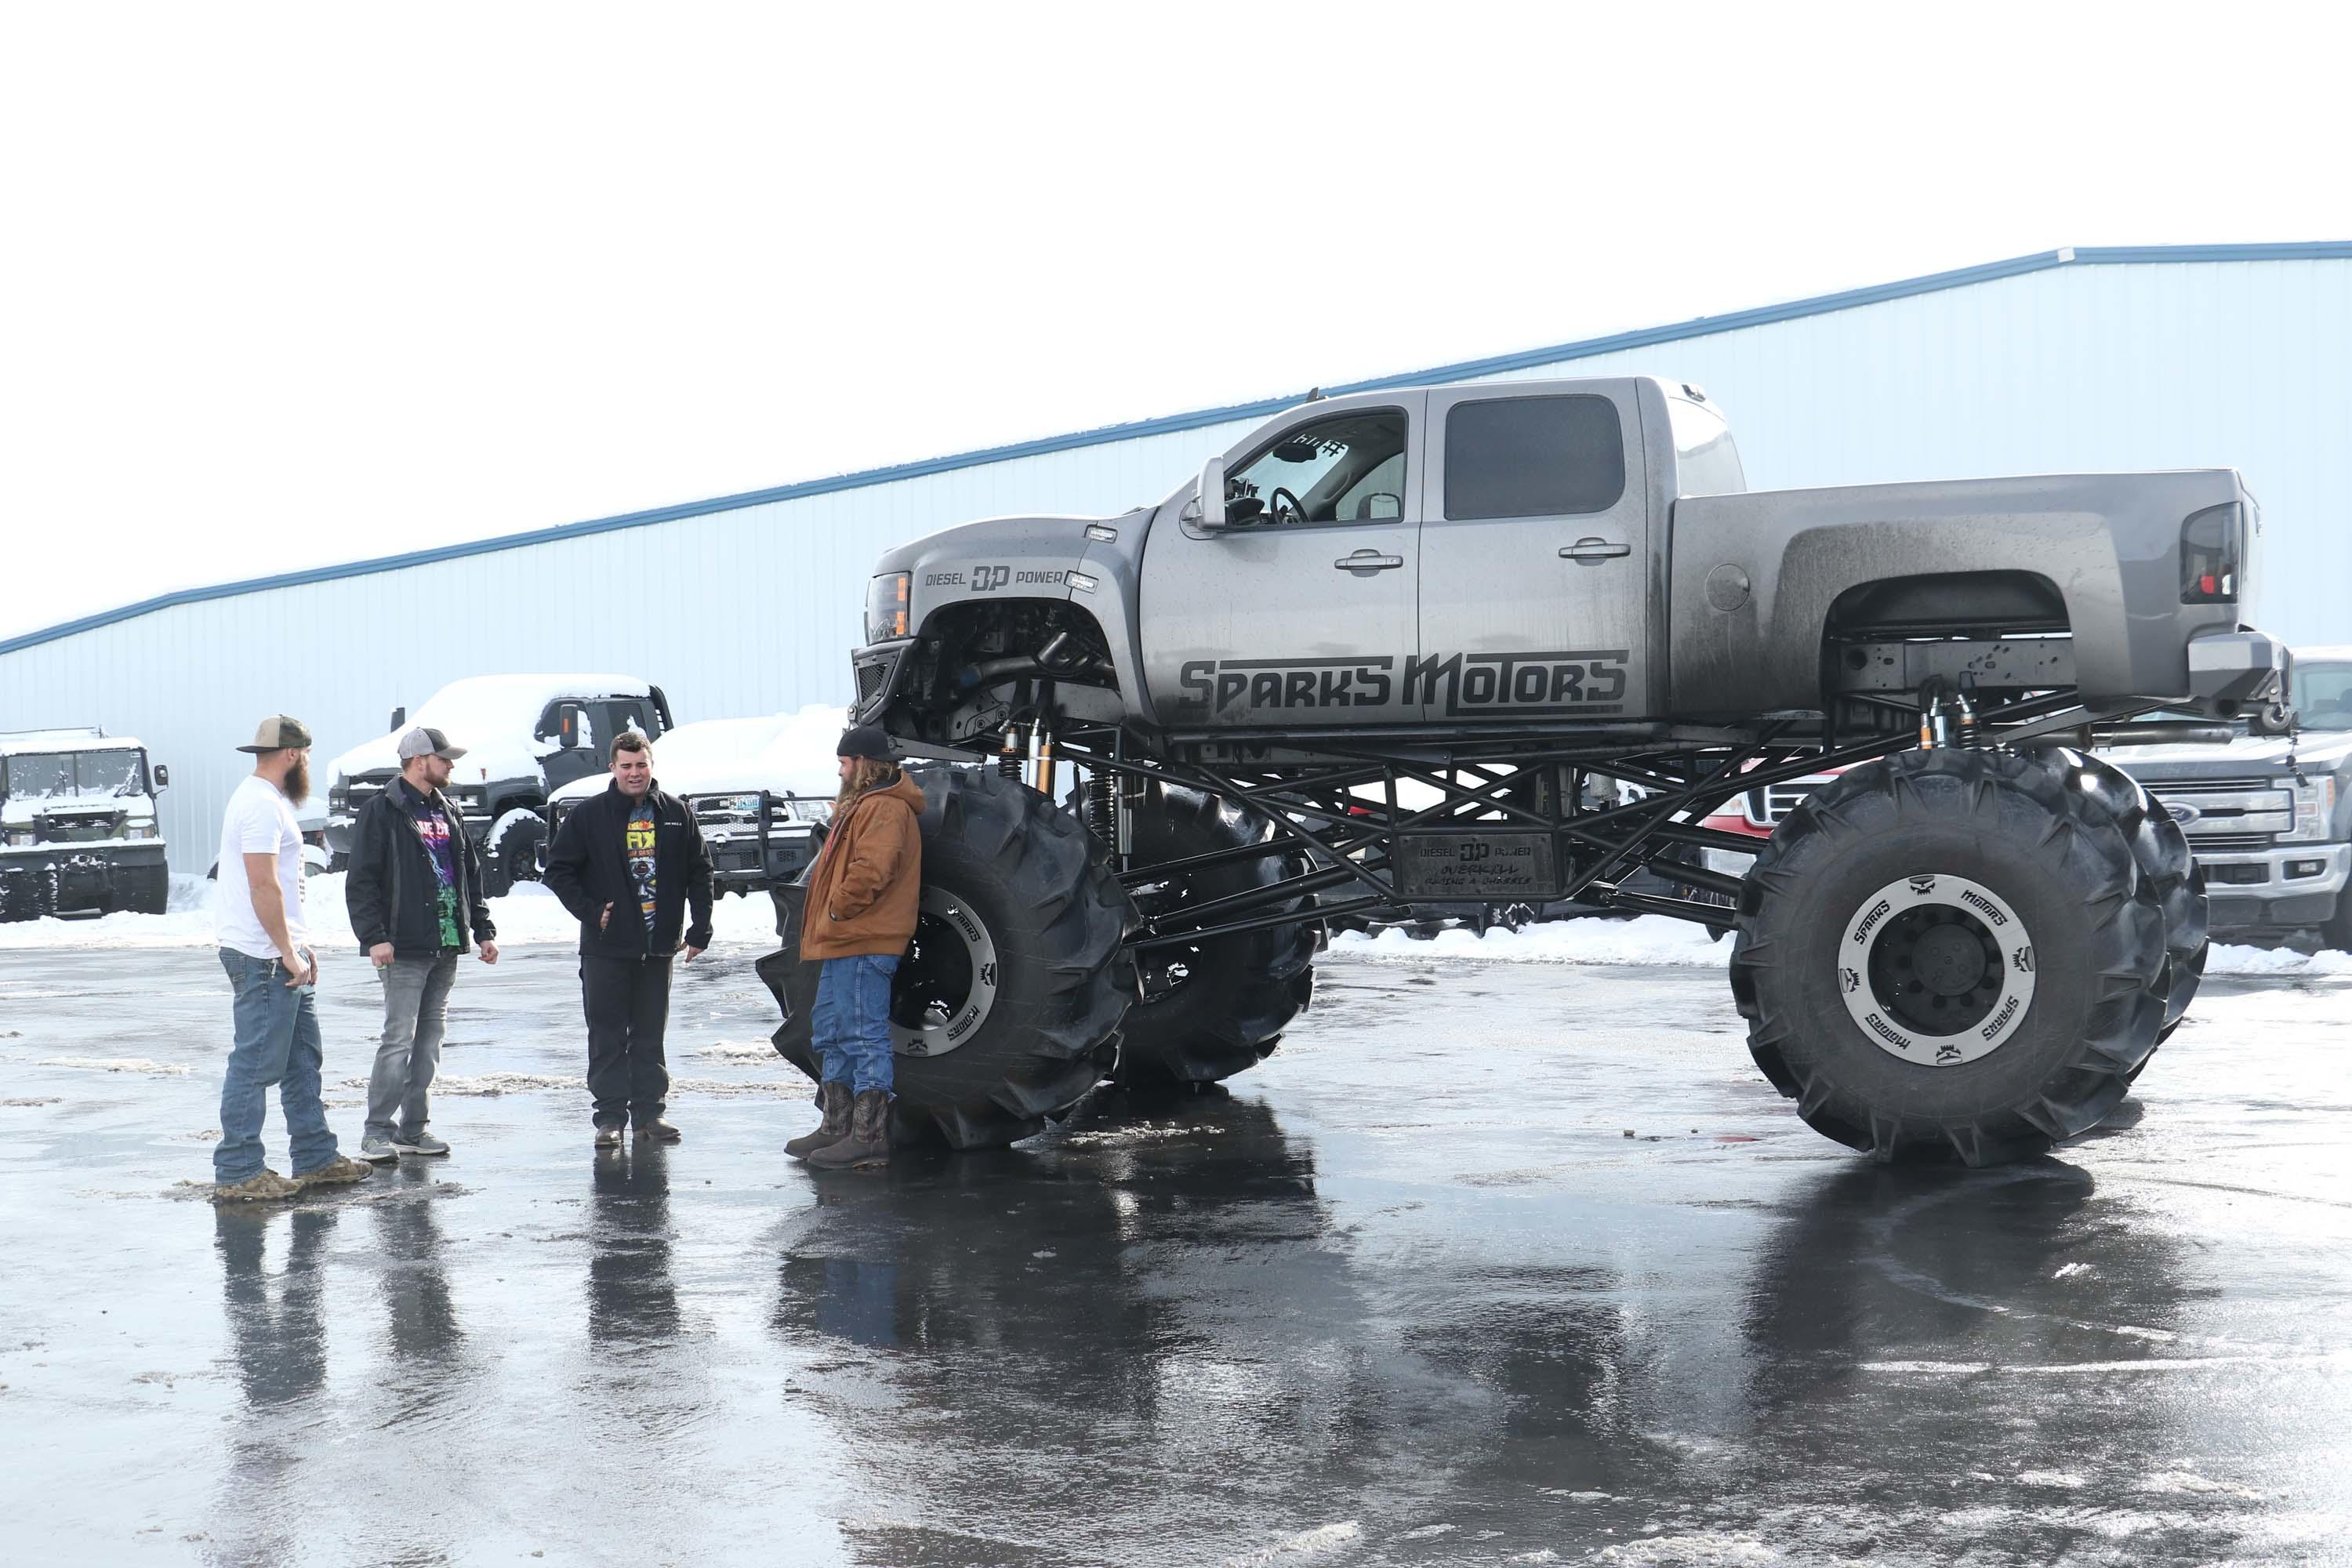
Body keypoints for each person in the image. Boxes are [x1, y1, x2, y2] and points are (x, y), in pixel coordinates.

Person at [211, 716, 375, 1202]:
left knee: (302, 1059)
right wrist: (285, 950)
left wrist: (298, 944)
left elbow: (278, 888)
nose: (306, 762)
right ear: (292, 755)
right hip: (262, 955)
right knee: (256, 1062)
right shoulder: (260, 805)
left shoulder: (266, 801)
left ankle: (316, 1157)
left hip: (280, 952)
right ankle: (238, 1170)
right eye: (305, 754)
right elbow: (263, 884)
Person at [542, 731, 713, 1148]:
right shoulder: (590, 815)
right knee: (607, 1035)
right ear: (612, 767)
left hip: (658, 947)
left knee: (650, 1035)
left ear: (651, 765)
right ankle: (610, 1119)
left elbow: (700, 871)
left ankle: (650, 1116)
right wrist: (592, 910)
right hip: (606, 948)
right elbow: (558, 870)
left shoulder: (676, 813)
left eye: (641, 765)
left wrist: (700, 928)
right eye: (626, 766)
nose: (634, 773)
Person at [344, 725, 500, 1163]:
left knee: (430, 1042)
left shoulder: (447, 809)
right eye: (444, 759)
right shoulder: (383, 810)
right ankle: (377, 1132)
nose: (450, 765)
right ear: (418, 761)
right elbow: (361, 881)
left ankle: (413, 1130)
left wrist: (482, 930)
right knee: (399, 1039)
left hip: (446, 944)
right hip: (403, 947)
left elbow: (469, 874)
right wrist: (374, 937)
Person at [787, 725, 925, 1170]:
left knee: (864, 1035)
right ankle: (836, 1126)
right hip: (845, 939)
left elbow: (873, 869)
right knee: (832, 1029)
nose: (840, 769)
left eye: (845, 762)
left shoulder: (884, 808)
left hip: (864, 937)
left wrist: (838, 908)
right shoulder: (866, 805)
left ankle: (868, 1137)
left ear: (864, 764)